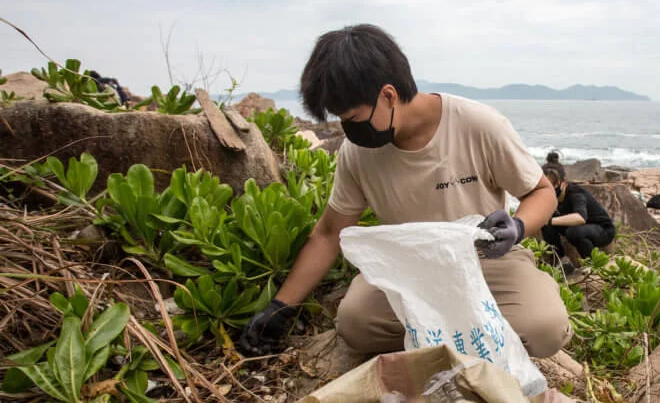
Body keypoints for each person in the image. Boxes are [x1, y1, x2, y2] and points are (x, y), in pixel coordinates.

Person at [237, 24, 571, 358]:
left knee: (544, 328)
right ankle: (456, 336)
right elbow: (328, 233)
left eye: (352, 117)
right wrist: (280, 307)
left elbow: (541, 192)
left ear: (388, 95)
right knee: (356, 323)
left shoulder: (479, 125)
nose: (348, 129)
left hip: (484, 262)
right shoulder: (358, 153)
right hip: (408, 270)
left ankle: (451, 331)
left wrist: (518, 226)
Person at [539, 155, 616, 272]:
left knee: (573, 231)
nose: (551, 189)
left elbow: (580, 218)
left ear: (563, 183)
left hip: (602, 230)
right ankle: (560, 259)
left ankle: (591, 265)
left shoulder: (576, 193)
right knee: (546, 224)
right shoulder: (548, 196)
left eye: (554, 185)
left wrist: (550, 221)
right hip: (580, 227)